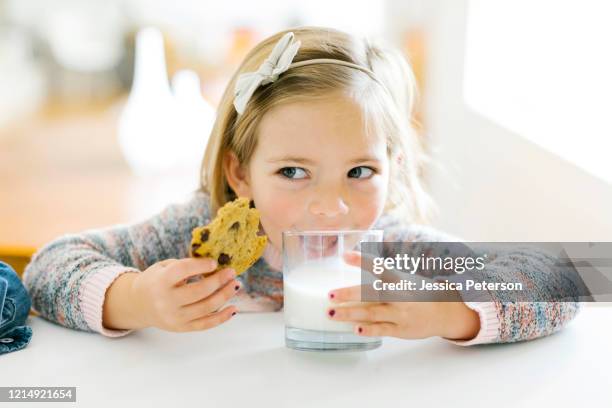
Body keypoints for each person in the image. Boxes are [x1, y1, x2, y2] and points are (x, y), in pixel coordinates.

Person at [23, 27, 579, 345]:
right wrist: (135, 299)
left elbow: (568, 278)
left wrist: (451, 309)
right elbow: (49, 266)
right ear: (240, 173)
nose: (331, 206)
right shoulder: (194, 234)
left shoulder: (393, 254)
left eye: (360, 172)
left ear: (392, 165)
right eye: (293, 172)